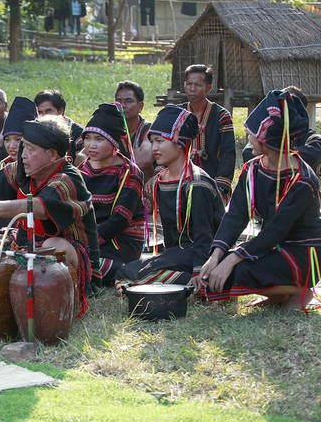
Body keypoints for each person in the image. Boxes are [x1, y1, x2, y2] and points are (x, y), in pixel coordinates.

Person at [0, 115, 99, 317]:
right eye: (24, 147)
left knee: (54, 245)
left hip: (73, 256)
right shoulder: (24, 169)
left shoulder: (68, 179)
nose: (23, 154)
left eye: (30, 149)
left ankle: (60, 298)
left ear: (52, 154)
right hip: (28, 247)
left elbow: (40, 207)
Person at [196, 90, 321, 311]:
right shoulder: (253, 168)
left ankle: (300, 291)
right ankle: (279, 295)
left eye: (251, 132)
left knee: (239, 271)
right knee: (215, 270)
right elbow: (236, 215)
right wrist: (216, 255)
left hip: (304, 255)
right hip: (272, 247)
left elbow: (275, 231)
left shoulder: (303, 180)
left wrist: (231, 260)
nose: (248, 137)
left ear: (267, 138)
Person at [115, 105, 225, 292]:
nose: (154, 148)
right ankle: (178, 279)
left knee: (134, 275)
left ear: (179, 142)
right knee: (125, 272)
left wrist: (199, 269)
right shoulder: (161, 180)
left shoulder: (197, 183)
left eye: (159, 141)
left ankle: (198, 281)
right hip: (176, 254)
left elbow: (204, 235)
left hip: (200, 254)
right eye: (151, 141)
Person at [79, 103, 145, 285]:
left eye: (99, 139)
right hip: (88, 240)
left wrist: (87, 242)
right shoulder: (80, 170)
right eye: (88, 138)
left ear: (114, 142)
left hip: (120, 243)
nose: (91, 145)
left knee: (76, 262)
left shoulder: (128, 172)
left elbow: (120, 219)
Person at [177, 64, 236, 203]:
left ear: (208, 88)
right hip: (180, 178)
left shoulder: (221, 115)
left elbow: (228, 153)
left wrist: (221, 187)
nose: (192, 89)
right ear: (184, 85)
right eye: (189, 84)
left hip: (212, 180)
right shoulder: (177, 114)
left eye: (198, 85)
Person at [241, 85, 321, 180]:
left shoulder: (312, 138)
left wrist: (272, 154)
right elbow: (248, 153)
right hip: (268, 186)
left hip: (298, 187)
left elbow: (313, 156)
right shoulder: (265, 135)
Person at [114, 80, 153, 181]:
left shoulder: (149, 129)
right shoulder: (110, 127)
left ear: (140, 106)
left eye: (129, 101)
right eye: (119, 101)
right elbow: (82, 157)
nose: (122, 106)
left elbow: (144, 158)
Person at [34, 89, 84, 165]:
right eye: (40, 112)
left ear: (61, 111)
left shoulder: (79, 134)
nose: (44, 116)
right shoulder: (36, 132)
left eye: (48, 111)